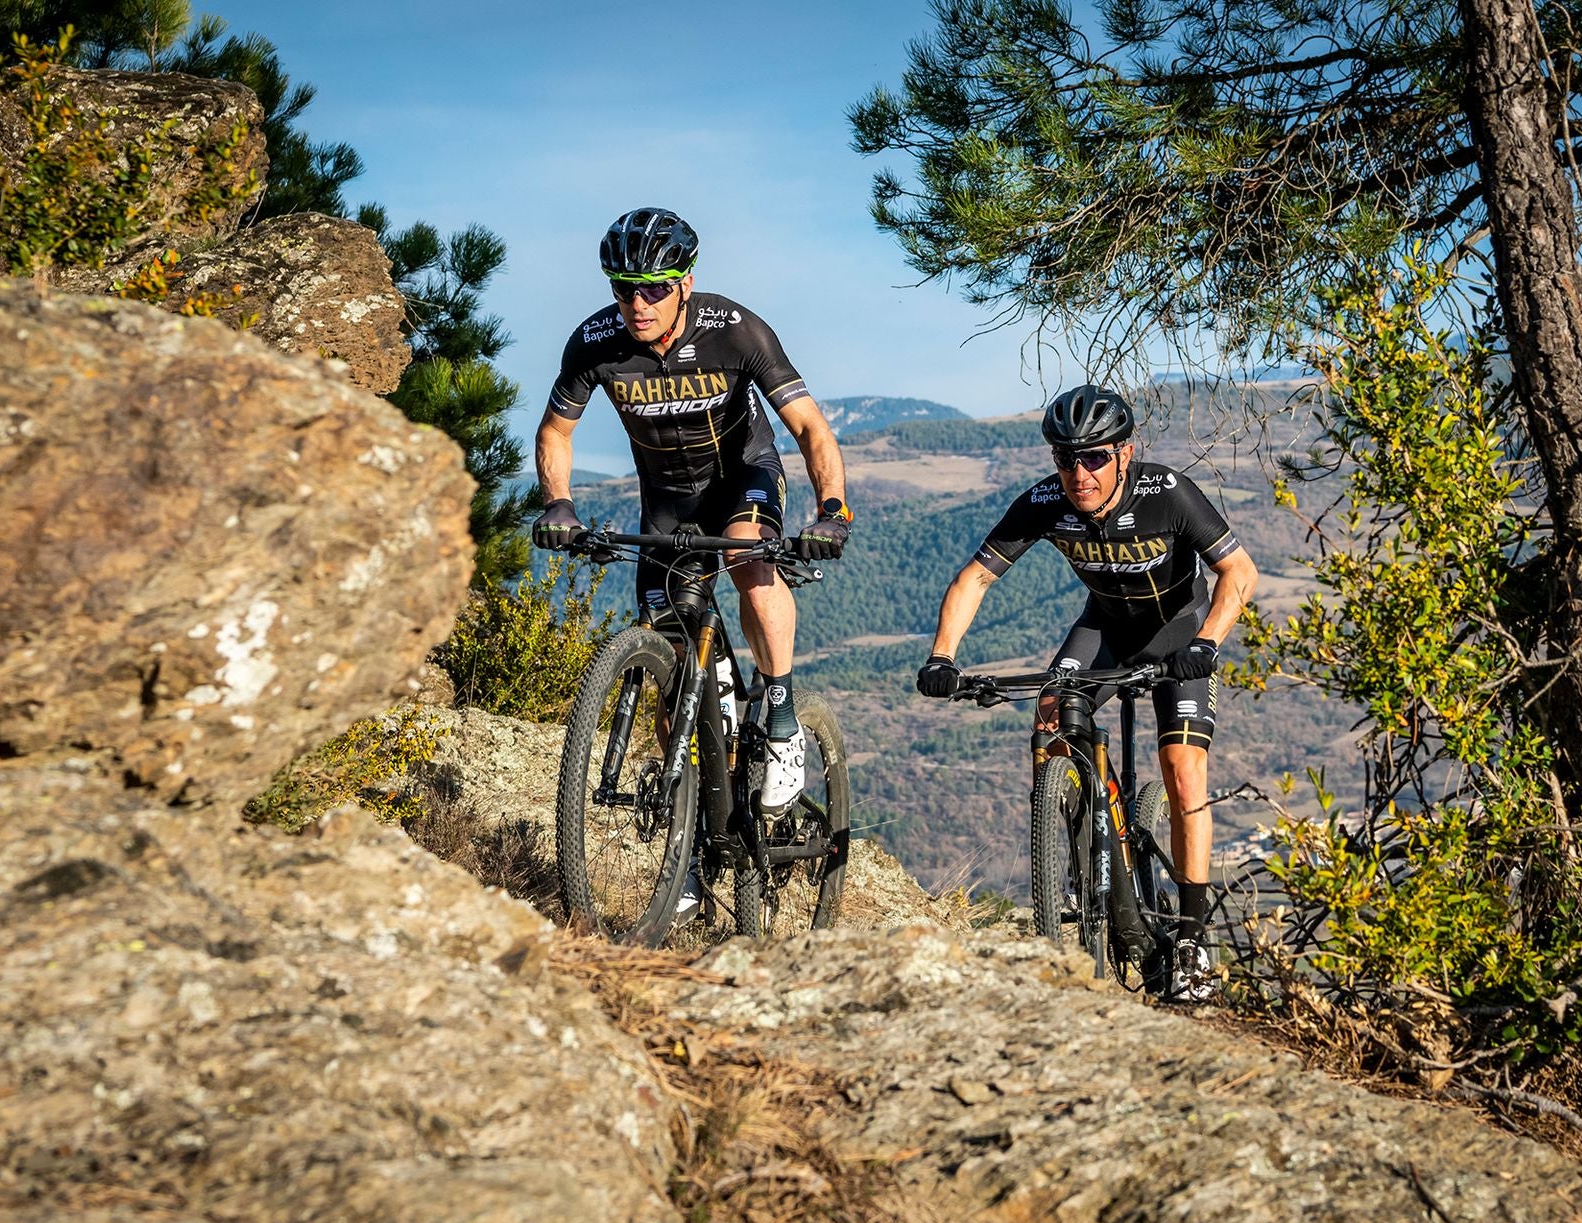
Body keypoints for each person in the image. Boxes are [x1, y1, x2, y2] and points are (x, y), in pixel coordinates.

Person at [533, 208, 852, 914]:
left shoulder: (734, 330)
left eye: (653, 288)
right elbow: (556, 430)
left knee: (749, 565)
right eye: (624, 289)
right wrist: (559, 504)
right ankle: (688, 855)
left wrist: (832, 510)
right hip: (667, 507)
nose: (637, 304)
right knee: (673, 667)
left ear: (685, 283)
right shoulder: (594, 343)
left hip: (743, 481)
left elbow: (808, 426)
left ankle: (781, 715)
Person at [915, 384, 1257, 1000]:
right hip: (1104, 630)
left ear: (1125, 453)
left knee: (1183, 771)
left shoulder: (1168, 493)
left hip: (1179, 636)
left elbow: (1239, 571)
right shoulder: (1045, 501)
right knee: (1050, 714)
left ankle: (1192, 938)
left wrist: (1208, 641)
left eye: (1095, 457)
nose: (1080, 474)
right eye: (1066, 459)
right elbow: (975, 579)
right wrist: (942, 656)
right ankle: (1077, 850)